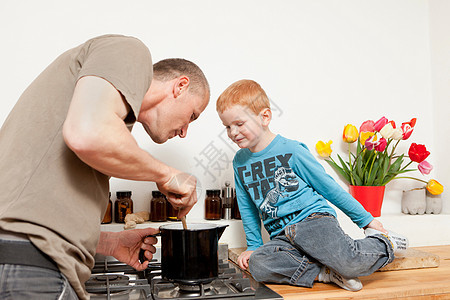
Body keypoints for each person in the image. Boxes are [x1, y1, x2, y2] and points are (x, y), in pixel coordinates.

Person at [0, 34, 210, 299]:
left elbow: (38, 206)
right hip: (30, 268)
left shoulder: (112, 124)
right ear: (180, 86)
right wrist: (167, 174)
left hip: (20, 261)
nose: (184, 132)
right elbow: (87, 134)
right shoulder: (129, 50)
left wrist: (109, 243)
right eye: (192, 115)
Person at [216, 79, 408, 292]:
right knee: (257, 264)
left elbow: (329, 187)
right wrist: (253, 246)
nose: (233, 132)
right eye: (227, 126)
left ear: (265, 117)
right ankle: (324, 273)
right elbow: (247, 207)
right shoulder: (240, 162)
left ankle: (384, 244)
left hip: (312, 222)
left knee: (348, 262)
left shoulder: (292, 150)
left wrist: (366, 221)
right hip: (280, 235)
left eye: (239, 124)